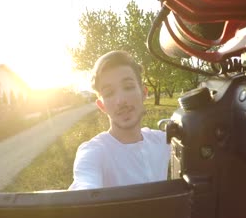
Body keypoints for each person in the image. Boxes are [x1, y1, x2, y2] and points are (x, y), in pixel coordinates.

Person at [68, 50, 171, 190]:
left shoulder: (162, 141)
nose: (120, 100)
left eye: (128, 87)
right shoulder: (94, 151)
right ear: (101, 105)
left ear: (144, 93)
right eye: (109, 93)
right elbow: (84, 186)